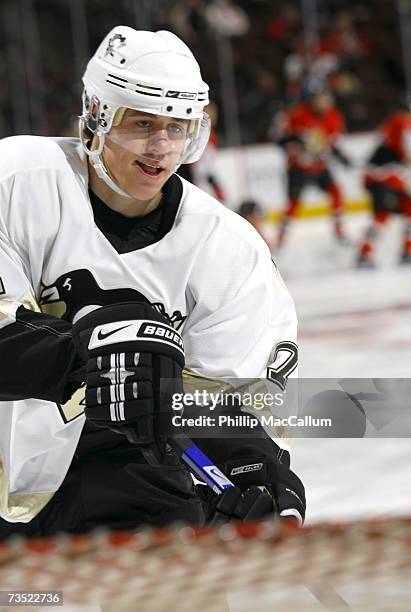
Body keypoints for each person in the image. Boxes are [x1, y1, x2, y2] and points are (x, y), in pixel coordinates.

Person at [0, 26, 305, 538]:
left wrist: (255, 469)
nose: (161, 146)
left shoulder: (228, 248)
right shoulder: (14, 183)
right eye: (142, 124)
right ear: (96, 118)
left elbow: (232, 399)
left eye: (178, 127)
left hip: (125, 474)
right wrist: (85, 356)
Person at [274, 83, 350, 248]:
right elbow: (278, 138)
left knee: (336, 193)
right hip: (298, 168)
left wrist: (342, 157)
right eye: (320, 99)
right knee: (293, 204)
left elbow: (333, 142)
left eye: (326, 98)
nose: (324, 102)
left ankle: (339, 232)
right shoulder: (296, 115)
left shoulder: (333, 116)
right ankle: (280, 239)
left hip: (320, 166)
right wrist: (295, 142)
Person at [356, 109, 411, 267]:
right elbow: (406, 149)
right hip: (383, 176)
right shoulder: (402, 121)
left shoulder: (396, 120)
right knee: (382, 215)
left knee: (402, 210)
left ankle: (406, 251)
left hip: (383, 175)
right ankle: (365, 254)